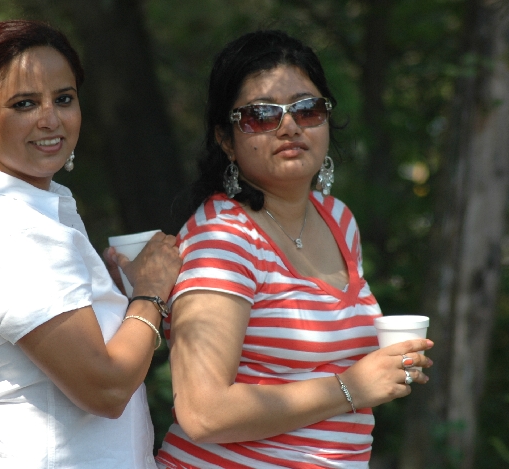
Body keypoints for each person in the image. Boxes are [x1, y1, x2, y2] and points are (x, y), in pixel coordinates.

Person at [155, 30, 434, 469]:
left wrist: (385, 372)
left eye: (307, 109)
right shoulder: (223, 239)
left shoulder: (338, 219)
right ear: (226, 139)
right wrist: (351, 387)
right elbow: (203, 412)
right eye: (261, 115)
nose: (289, 126)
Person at [0, 19, 181, 468]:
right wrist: (150, 295)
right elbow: (105, 388)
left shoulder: (28, 208)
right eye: (24, 103)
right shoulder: (9, 227)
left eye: (63, 99)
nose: (50, 119)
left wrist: (110, 295)